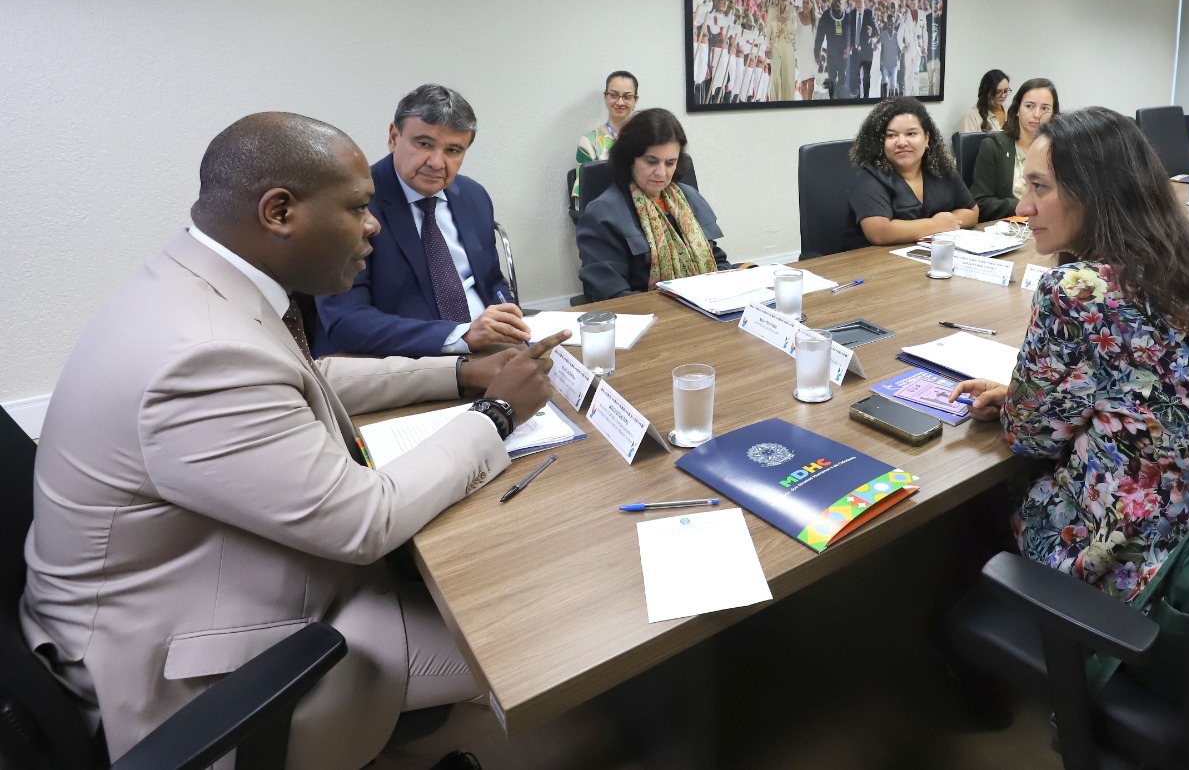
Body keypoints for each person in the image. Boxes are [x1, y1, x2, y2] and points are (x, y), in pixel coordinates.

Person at [21, 112, 568, 770]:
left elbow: (311, 378)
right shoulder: (200, 355)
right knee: (529, 632)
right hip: (184, 665)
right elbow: (366, 520)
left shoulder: (201, 279)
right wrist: (499, 411)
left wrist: (460, 372)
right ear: (279, 211)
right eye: (361, 208)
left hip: (194, 579)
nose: (374, 226)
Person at [948, 107, 1189, 598]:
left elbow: (1029, 436)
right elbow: (1138, 386)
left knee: (964, 496)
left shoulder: (1077, 291)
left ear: (1095, 194)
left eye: (1040, 187)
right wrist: (1029, 393)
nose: (1023, 206)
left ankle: (970, 645)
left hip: (1140, 560)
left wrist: (1020, 403)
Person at [315, 85, 525, 358]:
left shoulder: (473, 196)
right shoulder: (350, 204)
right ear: (393, 137)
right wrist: (460, 336)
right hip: (400, 363)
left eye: (453, 150)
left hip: (490, 350)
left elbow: (491, 281)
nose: (437, 163)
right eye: (424, 144)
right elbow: (346, 321)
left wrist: (506, 313)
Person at [576, 108, 731, 302]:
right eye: (651, 161)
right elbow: (613, 296)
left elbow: (717, 261)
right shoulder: (602, 213)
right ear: (629, 159)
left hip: (708, 309)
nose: (661, 173)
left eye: (670, 163)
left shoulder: (689, 198)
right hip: (648, 319)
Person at [845, 97, 978, 250]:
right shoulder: (870, 176)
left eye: (911, 134)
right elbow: (879, 232)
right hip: (871, 264)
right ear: (881, 142)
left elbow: (972, 211)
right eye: (891, 135)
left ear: (927, 138)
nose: (901, 142)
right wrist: (935, 224)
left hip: (925, 258)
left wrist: (946, 222)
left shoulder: (941, 168)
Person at [969, 77, 1058, 221]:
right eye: (1029, 106)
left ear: (1053, 114)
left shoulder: (1060, 149)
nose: (1036, 115)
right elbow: (980, 203)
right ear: (1017, 110)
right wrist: (1027, 207)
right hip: (1010, 230)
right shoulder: (993, 146)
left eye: (1045, 108)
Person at [574, 71, 640, 201]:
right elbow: (583, 196)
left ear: (635, 100)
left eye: (627, 97)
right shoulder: (589, 142)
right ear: (605, 97)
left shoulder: (648, 138)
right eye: (614, 95)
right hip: (605, 213)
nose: (620, 102)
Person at [959, 68, 1009, 133]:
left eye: (1006, 91)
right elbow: (967, 142)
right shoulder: (972, 117)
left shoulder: (1011, 113)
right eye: (998, 92)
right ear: (986, 92)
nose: (1003, 96)